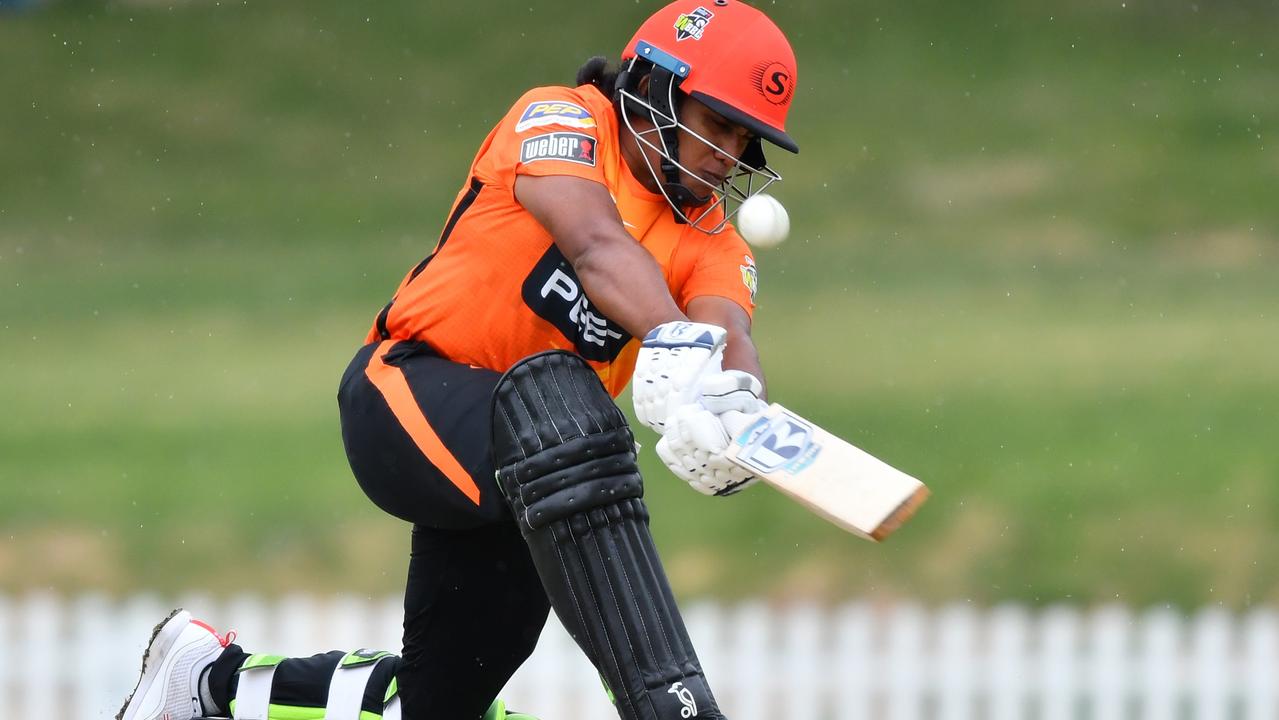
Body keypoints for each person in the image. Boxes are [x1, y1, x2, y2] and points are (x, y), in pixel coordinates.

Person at [116, 2, 800, 719]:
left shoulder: (711, 237)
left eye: (743, 136)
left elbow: (726, 331)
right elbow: (596, 244)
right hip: (407, 393)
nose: (727, 152)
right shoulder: (560, 119)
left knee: (438, 707)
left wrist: (732, 399)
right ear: (655, 84)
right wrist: (674, 340)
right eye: (714, 122)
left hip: (541, 479)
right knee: (572, 413)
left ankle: (206, 681)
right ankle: (668, 704)